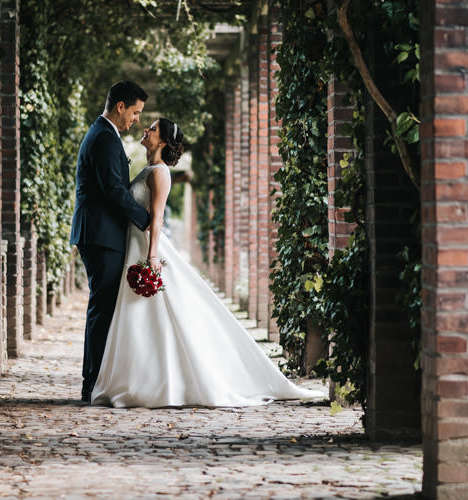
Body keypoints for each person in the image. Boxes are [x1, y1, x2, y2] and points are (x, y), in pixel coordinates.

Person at [91, 118, 326, 408]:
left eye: (151, 129)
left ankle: (160, 383)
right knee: (142, 318)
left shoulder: (161, 173)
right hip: (133, 247)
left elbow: (158, 218)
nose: (146, 131)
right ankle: (141, 379)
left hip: (145, 249)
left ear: (162, 141)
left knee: (154, 314)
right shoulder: (149, 169)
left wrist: (152, 257)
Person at [70, 80, 152, 403]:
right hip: (101, 235)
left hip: (101, 234)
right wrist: (146, 221)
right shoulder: (104, 137)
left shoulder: (105, 134)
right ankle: (91, 383)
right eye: (135, 112)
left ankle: (97, 380)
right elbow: (114, 191)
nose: (136, 120)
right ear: (120, 106)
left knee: (103, 308)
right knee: (101, 309)